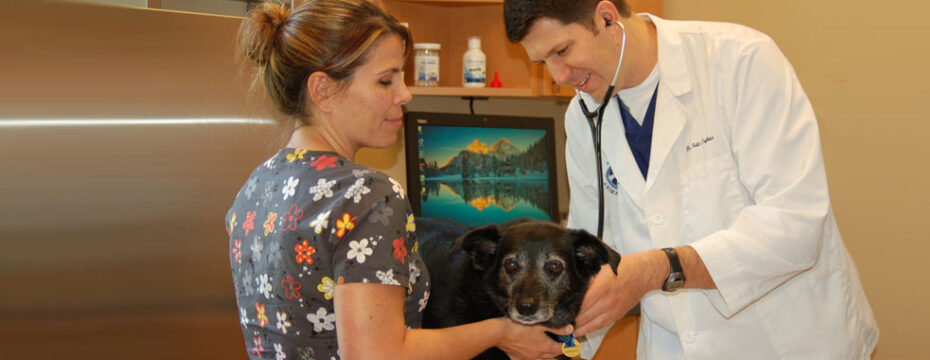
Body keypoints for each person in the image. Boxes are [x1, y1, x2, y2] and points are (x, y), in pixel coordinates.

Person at [503, 1, 879, 359]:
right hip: (674, 347)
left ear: (606, 18)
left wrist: (659, 268)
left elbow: (796, 224)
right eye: (543, 62)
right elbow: (591, 253)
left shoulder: (740, 61)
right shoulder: (583, 116)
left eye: (562, 51)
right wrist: (559, 342)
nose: (558, 76)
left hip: (786, 340)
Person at [226, 1, 572, 359]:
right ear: (323, 90)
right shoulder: (367, 196)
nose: (405, 94)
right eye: (385, 80)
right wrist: (501, 332)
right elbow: (376, 354)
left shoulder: (255, 188)